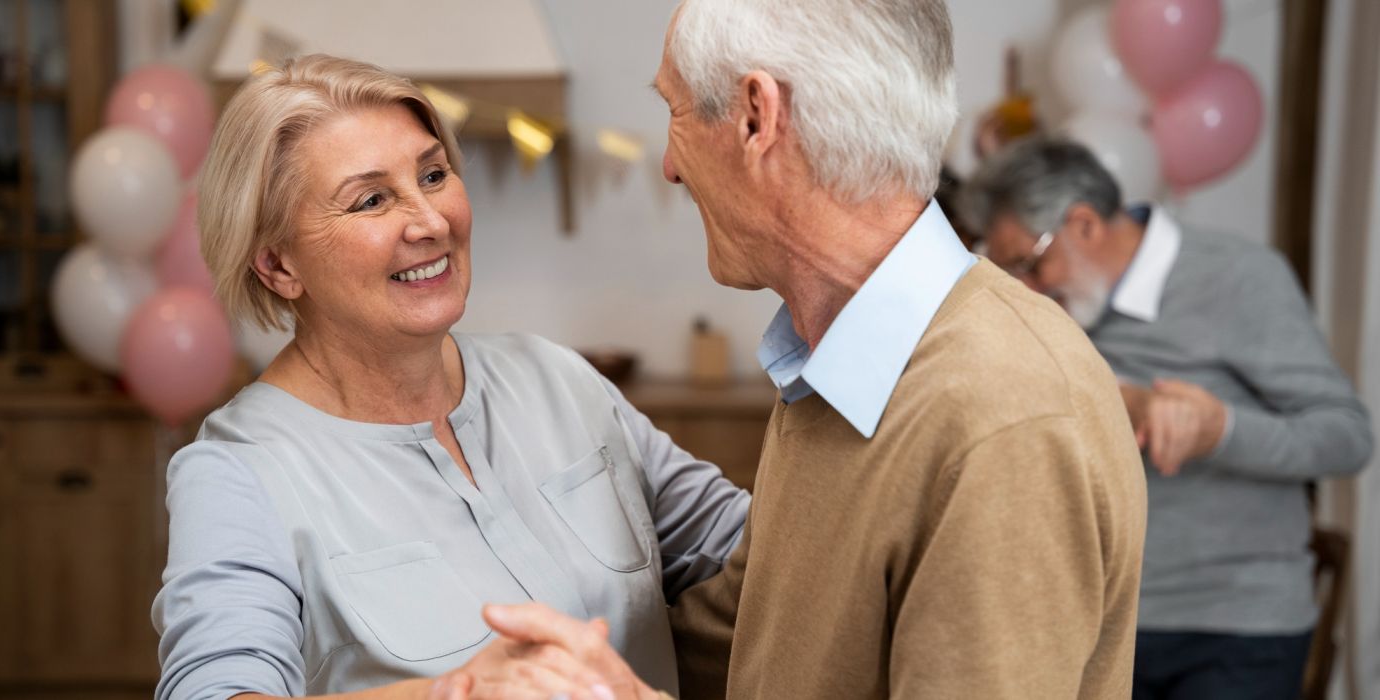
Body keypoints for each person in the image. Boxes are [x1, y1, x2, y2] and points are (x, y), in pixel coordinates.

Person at [474, 1, 1149, 698]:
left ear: (756, 118)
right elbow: (758, 639)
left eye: (674, 112)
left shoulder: (1004, 417)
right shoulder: (834, 367)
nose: (670, 167)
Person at [152, 54, 750, 700]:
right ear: (277, 265)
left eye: (433, 175)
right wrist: (457, 691)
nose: (431, 221)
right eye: (371, 199)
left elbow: (752, 551)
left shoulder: (556, 377)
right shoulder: (237, 474)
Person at [962, 136, 1374, 700]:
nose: (1026, 291)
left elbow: (1346, 436)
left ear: (1084, 224)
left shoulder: (1240, 277)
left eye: (1030, 265)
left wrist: (1219, 430)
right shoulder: (1051, 310)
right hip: (1097, 621)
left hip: (1233, 625)